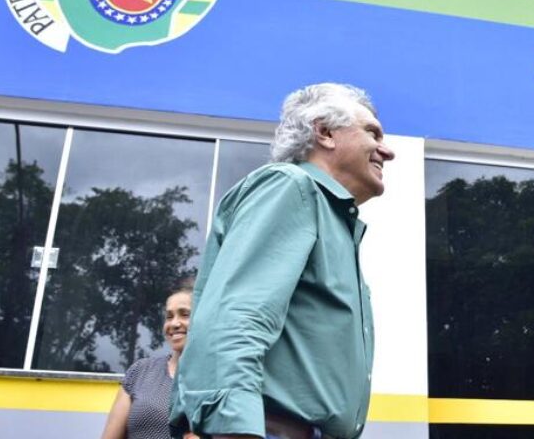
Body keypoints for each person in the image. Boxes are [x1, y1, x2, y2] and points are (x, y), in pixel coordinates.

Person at [171, 83, 395, 439]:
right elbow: (237, 313)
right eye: (372, 133)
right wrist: (234, 426)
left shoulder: (329, 215)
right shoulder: (291, 187)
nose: (387, 150)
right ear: (324, 132)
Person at [101, 280, 200, 439]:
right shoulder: (140, 372)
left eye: (185, 314)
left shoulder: (221, 379)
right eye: (169, 316)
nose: (174, 323)